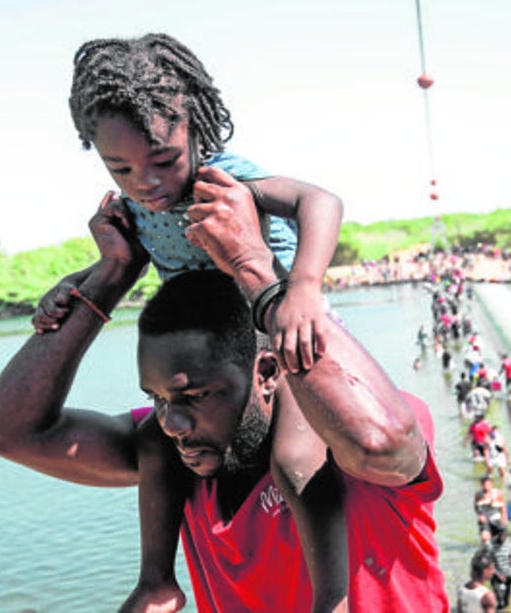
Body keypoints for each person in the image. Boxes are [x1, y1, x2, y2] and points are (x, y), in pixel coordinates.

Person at [0, 180, 448, 611]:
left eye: (196, 395)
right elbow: (7, 431)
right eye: (158, 399)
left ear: (265, 372)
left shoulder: (358, 435)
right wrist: (111, 276)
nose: (173, 423)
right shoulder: (178, 459)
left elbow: (377, 442)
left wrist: (255, 268)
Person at [36, 32, 345, 611]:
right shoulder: (135, 208)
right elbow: (129, 255)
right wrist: (74, 286)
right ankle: (156, 581)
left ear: (196, 131)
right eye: (120, 167)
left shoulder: (223, 181)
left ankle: (333, 597)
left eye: (163, 160)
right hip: (210, 354)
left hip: (273, 343)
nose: (145, 183)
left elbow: (319, 201)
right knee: (157, 440)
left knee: (295, 458)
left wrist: (303, 288)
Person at [483, 523, 511, 609]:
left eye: (505, 535)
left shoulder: (509, 544)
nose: (503, 537)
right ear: (497, 534)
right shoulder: (490, 545)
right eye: (501, 535)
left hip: (508, 574)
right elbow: (489, 563)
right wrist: (498, 574)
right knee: (500, 601)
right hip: (495, 575)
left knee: (506, 602)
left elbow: (509, 559)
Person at [474, 475, 507, 544]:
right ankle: (486, 548)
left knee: (501, 539)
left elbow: (503, 507)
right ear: (481, 485)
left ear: (492, 484)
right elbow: (476, 507)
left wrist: (504, 518)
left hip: (496, 518)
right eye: (484, 484)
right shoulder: (478, 494)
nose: (486, 486)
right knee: (485, 538)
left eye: (488, 483)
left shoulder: (498, 493)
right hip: (485, 519)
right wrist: (480, 515)